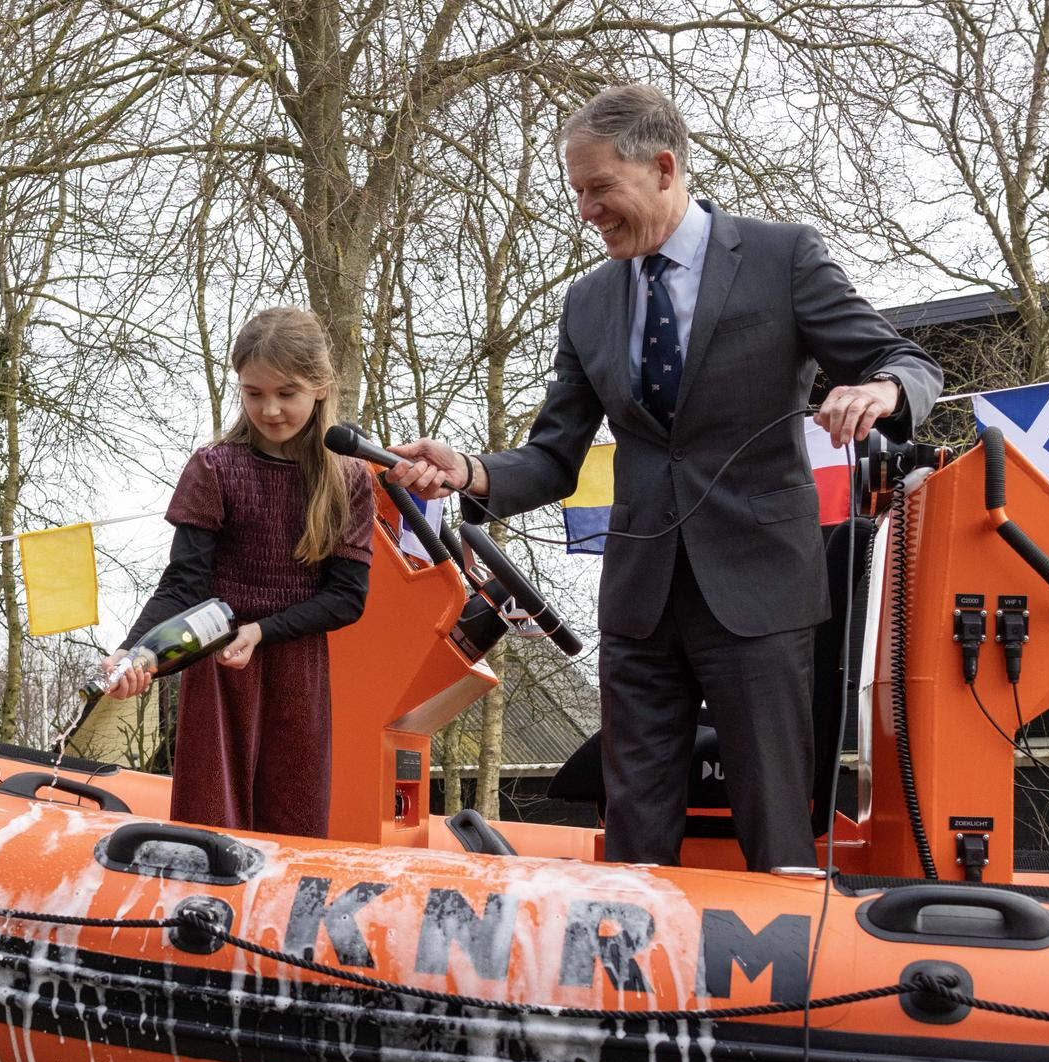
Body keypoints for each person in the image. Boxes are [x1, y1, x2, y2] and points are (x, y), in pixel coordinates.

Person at [386, 84, 943, 871]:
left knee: (775, 821)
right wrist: (472, 469)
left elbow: (909, 362)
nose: (585, 209)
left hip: (760, 590)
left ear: (664, 167)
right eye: (575, 191)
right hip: (641, 601)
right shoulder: (587, 303)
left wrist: (883, 391)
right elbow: (554, 456)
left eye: (598, 188)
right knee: (635, 824)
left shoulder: (784, 257)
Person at [105, 306, 374, 838]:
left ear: (320, 386)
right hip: (219, 670)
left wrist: (261, 630)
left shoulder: (350, 478)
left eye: (286, 393)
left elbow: (347, 598)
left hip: (298, 673)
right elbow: (183, 584)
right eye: (254, 394)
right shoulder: (214, 467)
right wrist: (133, 651)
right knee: (210, 826)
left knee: (292, 826)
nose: (270, 409)